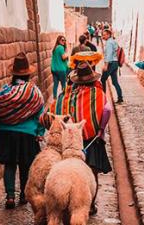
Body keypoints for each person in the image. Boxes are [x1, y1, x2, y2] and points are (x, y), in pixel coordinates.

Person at [43, 61, 112, 215]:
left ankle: (66, 202)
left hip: (69, 142)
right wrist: (100, 129)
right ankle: (90, 205)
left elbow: (50, 115)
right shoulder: (98, 95)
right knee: (91, 174)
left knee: (69, 173)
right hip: (90, 140)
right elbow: (106, 111)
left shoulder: (65, 97)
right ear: (93, 79)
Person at [0, 53, 45, 209]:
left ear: (13, 74)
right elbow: (40, 114)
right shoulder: (34, 92)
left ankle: (10, 196)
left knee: (10, 164)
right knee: (26, 165)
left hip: (6, 133)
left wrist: (7, 122)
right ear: (28, 74)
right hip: (27, 134)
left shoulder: (4, 91)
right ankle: (24, 195)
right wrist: (40, 132)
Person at [101, 29, 123, 103]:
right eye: (102, 35)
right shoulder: (114, 41)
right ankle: (120, 97)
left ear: (108, 35)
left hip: (111, 63)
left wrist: (106, 65)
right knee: (114, 82)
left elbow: (109, 55)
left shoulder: (109, 43)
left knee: (102, 80)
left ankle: (103, 99)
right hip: (115, 63)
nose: (103, 36)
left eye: (104, 35)